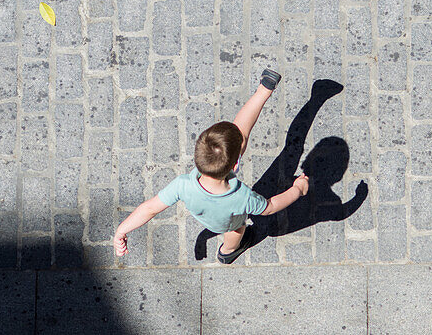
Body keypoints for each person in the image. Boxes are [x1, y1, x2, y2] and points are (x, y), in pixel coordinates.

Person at [112, 69, 309, 264]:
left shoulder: (182, 185)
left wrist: (122, 230)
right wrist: (297, 190)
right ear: (235, 164)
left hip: (205, 215)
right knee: (236, 230)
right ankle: (228, 251)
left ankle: (263, 90)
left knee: (241, 133)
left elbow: (149, 208)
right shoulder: (241, 196)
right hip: (229, 221)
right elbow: (270, 207)